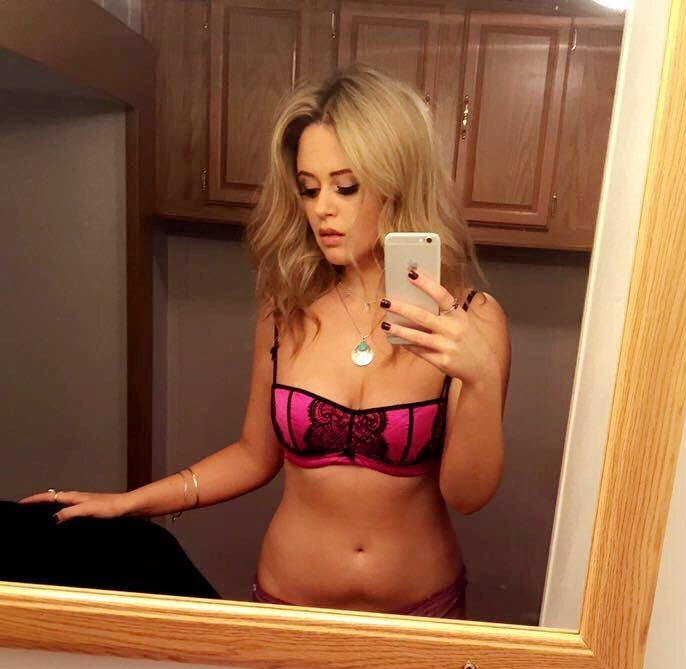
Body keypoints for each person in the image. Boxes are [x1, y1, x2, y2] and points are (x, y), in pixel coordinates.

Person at [22, 65, 510, 618]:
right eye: (309, 188)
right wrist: (133, 502)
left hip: (421, 612)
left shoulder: (471, 321)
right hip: (287, 604)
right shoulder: (286, 309)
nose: (322, 208)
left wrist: (481, 379)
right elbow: (254, 456)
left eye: (346, 187)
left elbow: (467, 497)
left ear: (397, 181)